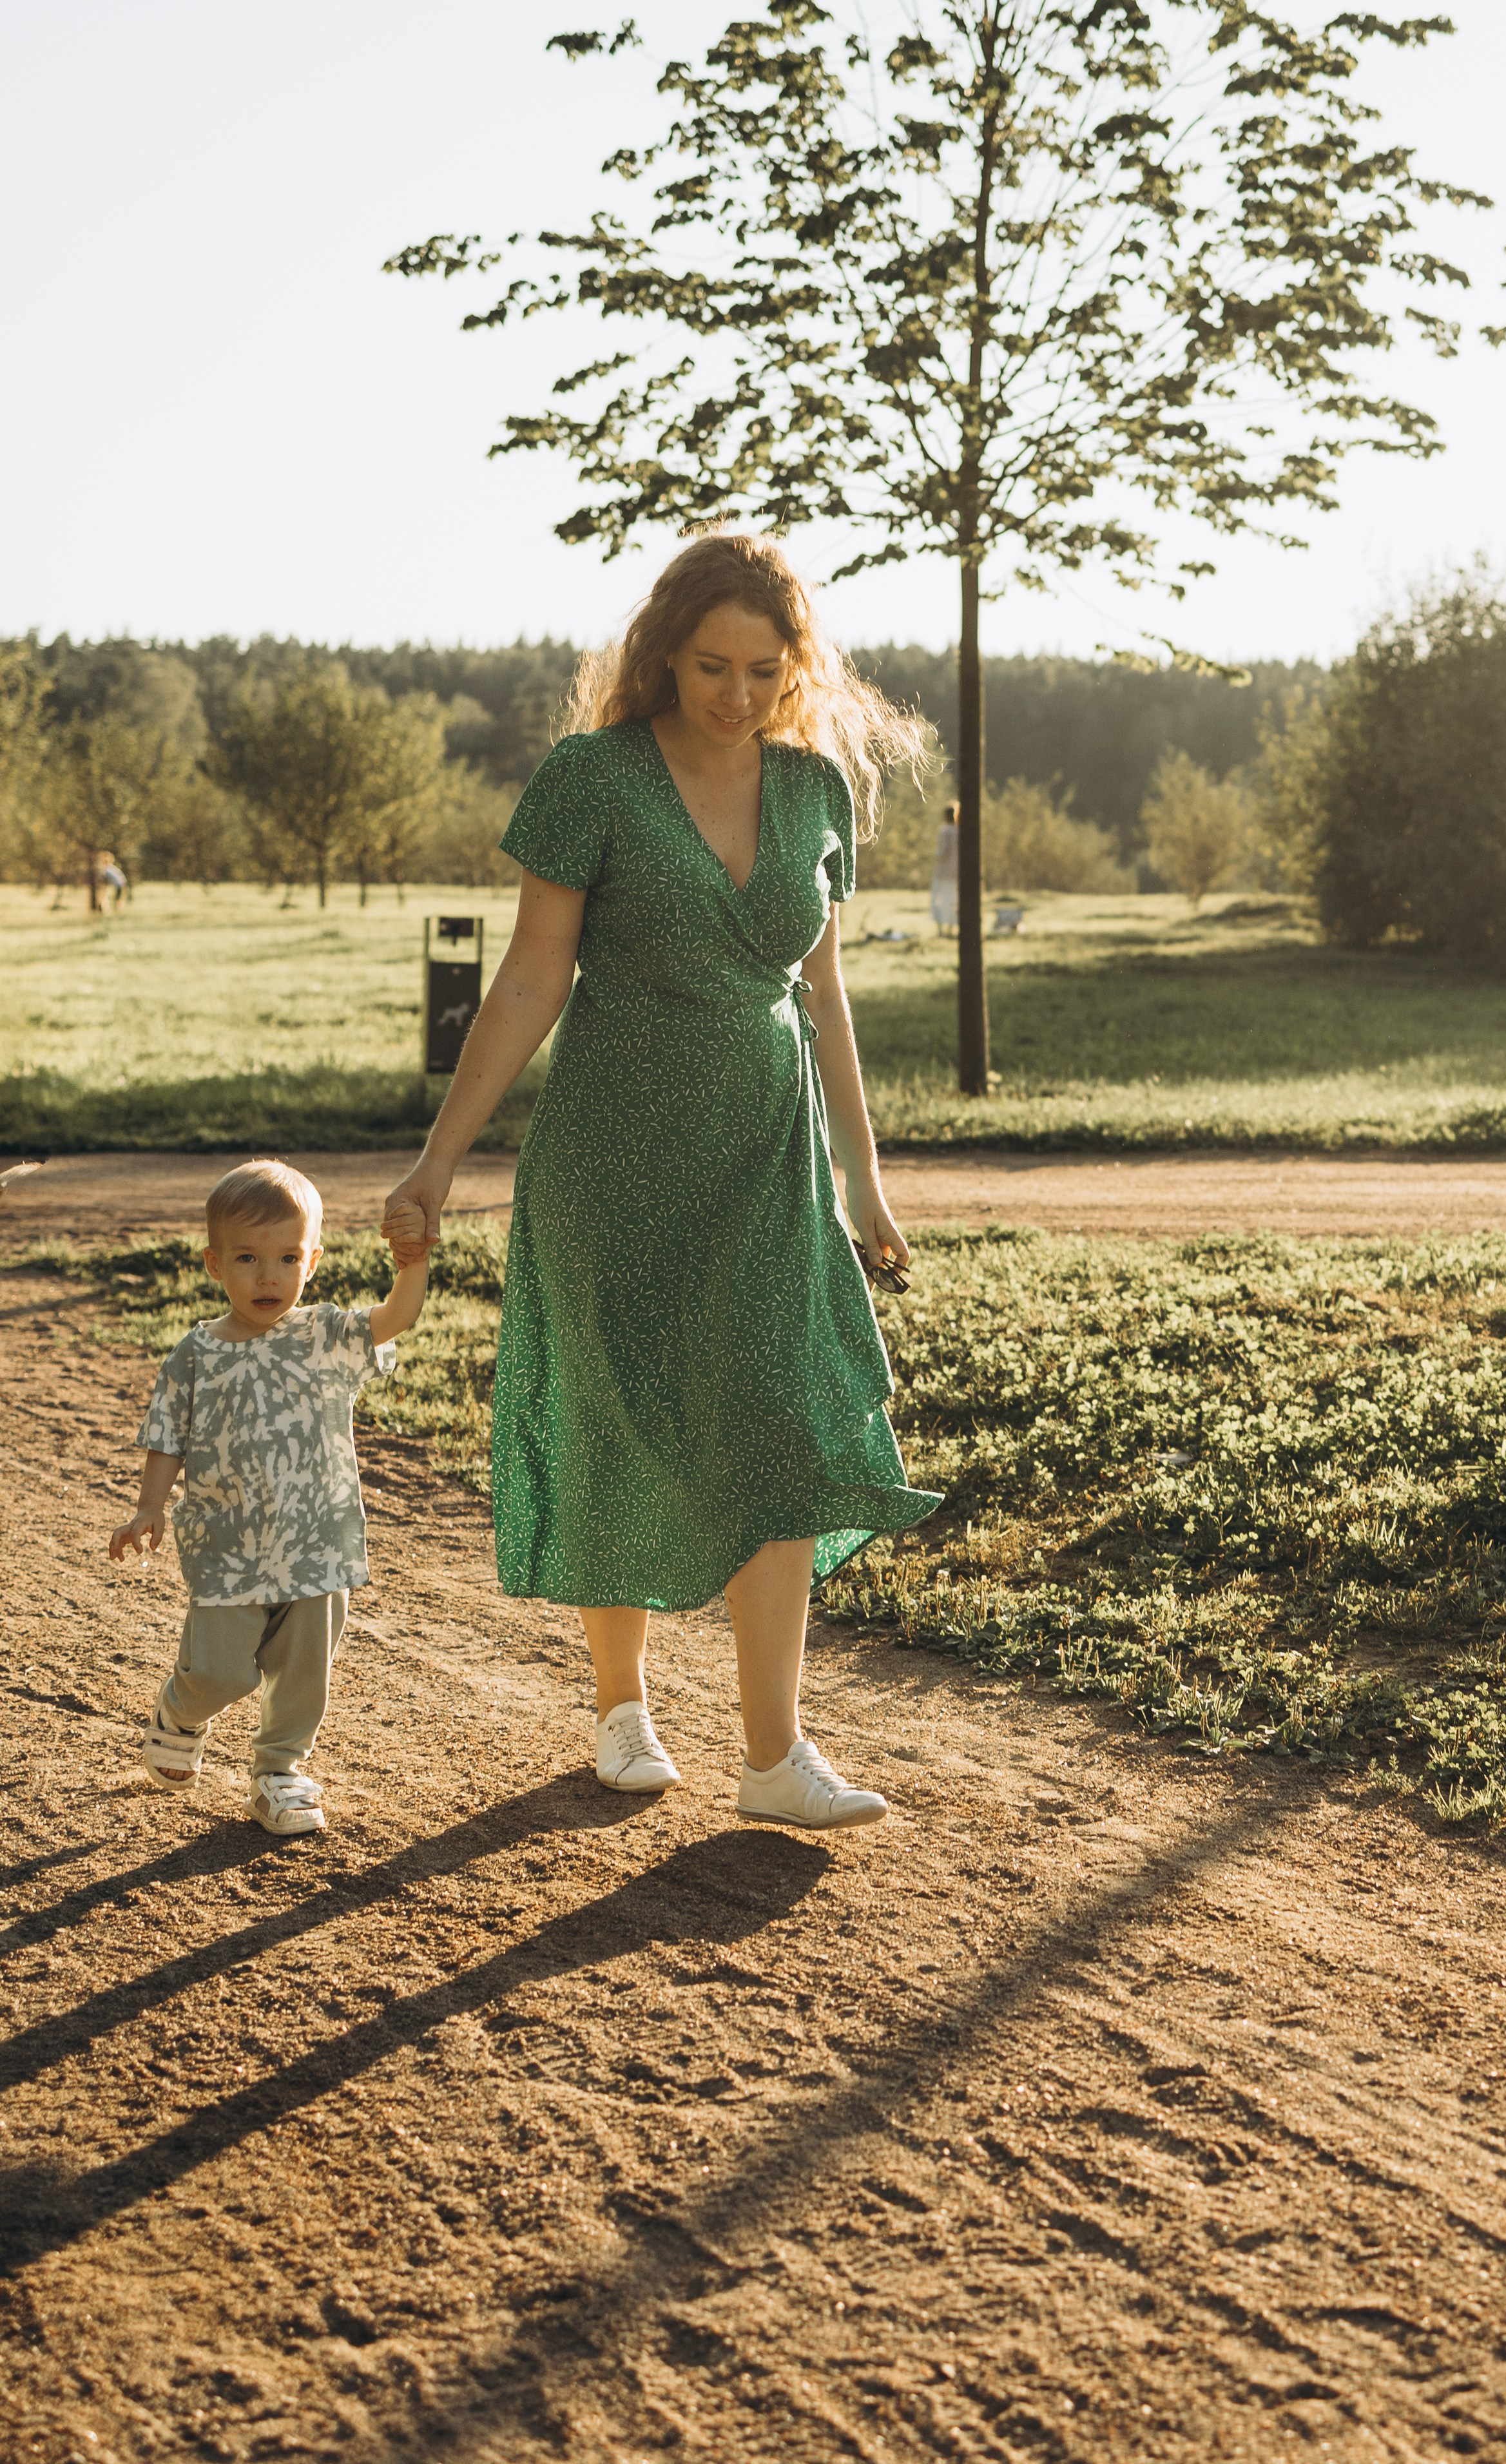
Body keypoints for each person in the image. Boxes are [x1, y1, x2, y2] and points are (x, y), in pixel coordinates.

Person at [382, 533, 941, 1831]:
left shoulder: (812, 792)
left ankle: (771, 1756)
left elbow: (825, 994)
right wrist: (440, 1153)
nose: (733, 692)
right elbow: (531, 978)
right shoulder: (593, 779)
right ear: (661, 652)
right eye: (708, 664)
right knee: (620, 1409)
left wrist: (865, 1178)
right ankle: (622, 1705)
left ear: (793, 668)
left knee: (781, 1418)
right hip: (614, 1142)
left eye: (760, 668)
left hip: (765, 1149)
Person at [110, 1159, 428, 1836]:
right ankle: (182, 1709)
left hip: (319, 1543)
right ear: (213, 1262)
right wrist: (148, 1505)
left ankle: (279, 1771)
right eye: (248, 1258)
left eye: (287, 1257)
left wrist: (411, 1261)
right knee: (222, 1670)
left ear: (312, 1260)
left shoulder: (327, 1334)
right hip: (228, 1546)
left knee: (303, 1672)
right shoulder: (196, 1353)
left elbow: (398, 1315)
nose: (267, 1275)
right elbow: (168, 1434)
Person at [929, 803, 959, 936]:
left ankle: (940, 929)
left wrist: (933, 854)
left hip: (942, 872)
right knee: (953, 900)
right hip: (956, 872)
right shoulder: (959, 831)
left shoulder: (945, 831)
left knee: (938, 899)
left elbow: (943, 852)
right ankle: (951, 929)